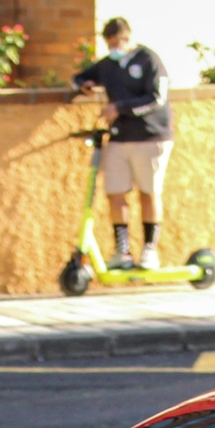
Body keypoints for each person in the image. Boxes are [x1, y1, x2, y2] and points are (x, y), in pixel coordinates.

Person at [71, 18, 173, 270]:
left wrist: (120, 107)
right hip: (119, 138)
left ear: (129, 37)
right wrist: (82, 85)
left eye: (120, 41)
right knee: (116, 192)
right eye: (111, 43)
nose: (117, 47)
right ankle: (123, 251)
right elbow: (80, 77)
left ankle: (149, 249)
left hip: (150, 136)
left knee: (148, 193)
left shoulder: (148, 60)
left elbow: (156, 97)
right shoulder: (109, 66)